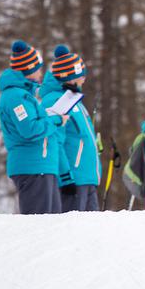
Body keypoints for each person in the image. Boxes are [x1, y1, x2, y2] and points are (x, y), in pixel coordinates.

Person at [0, 40, 69, 214]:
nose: (40, 72)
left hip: (41, 167)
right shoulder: (16, 97)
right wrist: (56, 121)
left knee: (50, 227)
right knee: (40, 228)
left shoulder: (24, 95)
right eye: (37, 68)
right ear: (28, 69)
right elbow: (30, 129)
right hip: (32, 167)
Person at [40, 45, 101, 212]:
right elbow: (54, 142)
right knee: (73, 233)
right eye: (81, 75)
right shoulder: (56, 100)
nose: (84, 79)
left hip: (88, 177)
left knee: (92, 233)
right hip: (74, 179)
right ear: (71, 77)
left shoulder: (75, 101)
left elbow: (80, 136)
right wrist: (65, 177)